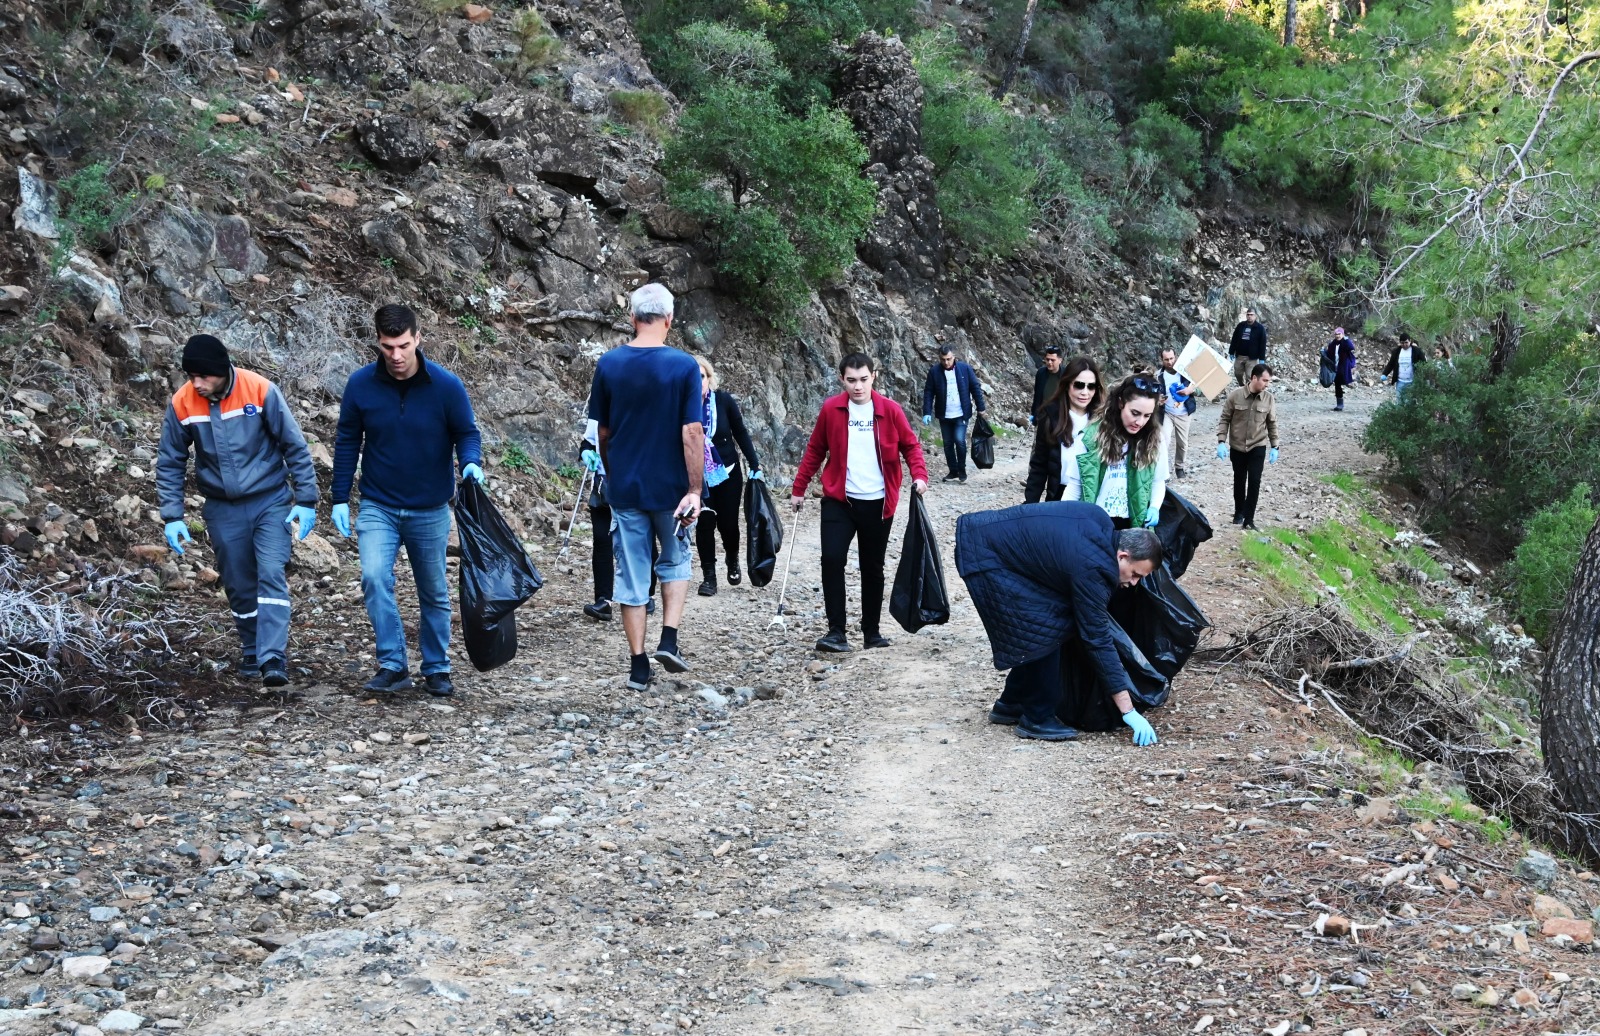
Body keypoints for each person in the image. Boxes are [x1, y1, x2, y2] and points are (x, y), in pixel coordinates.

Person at [331, 304, 484, 699]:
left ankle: (437, 667)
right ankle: (393, 664)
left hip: (429, 506)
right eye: (387, 347)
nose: (396, 355)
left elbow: (467, 432)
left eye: (403, 345)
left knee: (432, 589)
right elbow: (347, 440)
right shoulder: (361, 385)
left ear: (418, 338)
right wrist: (339, 497)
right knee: (373, 577)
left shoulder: (446, 386)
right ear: (377, 343)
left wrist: (470, 462)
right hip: (378, 503)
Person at [157, 334, 319, 688]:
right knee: (238, 580)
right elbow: (170, 460)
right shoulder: (183, 402)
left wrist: (306, 500)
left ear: (222, 370)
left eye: (203, 376)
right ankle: (251, 647)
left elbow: (293, 444)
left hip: (270, 500)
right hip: (222, 508)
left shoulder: (259, 390)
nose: (197, 383)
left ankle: (272, 656)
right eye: (191, 376)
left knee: (271, 571)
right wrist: (172, 515)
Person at [955, 502, 1163, 744]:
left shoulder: (1100, 521)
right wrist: (1128, 711)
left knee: (1045, 623)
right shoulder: (1095, 568)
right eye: (1135, 574)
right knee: (1045, 628)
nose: (1134, 583)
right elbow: (1096, 638)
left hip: (987, 539)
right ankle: (1037, 718)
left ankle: (1011, 702)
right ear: (1122, 556)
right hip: (987, 557)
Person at [586, 283, 705, 691]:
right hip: (671, 489)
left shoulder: (609, 364)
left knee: (632, 574)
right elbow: (692, 431)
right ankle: (668, 639)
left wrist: (613, 471)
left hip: (626, 488)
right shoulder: (684, 366)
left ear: (632, 318)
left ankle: (638, 665)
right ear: (670, 319)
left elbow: (602, 432)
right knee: (675, 562)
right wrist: (695, 489)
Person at [792, 352, 929, 653]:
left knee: (872, 567)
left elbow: (911, 446)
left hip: (878, 503)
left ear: (873, 377)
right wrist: (798, 488)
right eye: (851, 380)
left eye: (864, 379)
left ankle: (872, 632)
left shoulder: (890, 410)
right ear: (842, 379)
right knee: (831, 560)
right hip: (839, 501)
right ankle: (836, 632)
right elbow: (815, 449)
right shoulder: (831, 409)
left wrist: (920, 476)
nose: (858, 386)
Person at [692, 356, 764, 597]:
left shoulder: (723, 401)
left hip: (728, 473)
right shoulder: (682, 405)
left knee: (728, 525)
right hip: (697, 476)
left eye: (701, 376)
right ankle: (709, 577)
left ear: (709, 378)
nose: (697, 381)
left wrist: (754, 463)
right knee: (704, 523)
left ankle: (732, 559)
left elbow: (740, 432)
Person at [1064, 374, 1168, 530]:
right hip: (1095, 522)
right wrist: (1064, 519)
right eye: (1135, 413)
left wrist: (1154, 507)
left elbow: (1158, 481)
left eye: (1147, 416)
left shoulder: (1155, 440)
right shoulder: (1090, 438)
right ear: (1121, 403)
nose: (1140, 422)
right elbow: (1075, 485)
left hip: (1133, 524)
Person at [576, 421, 656, 622]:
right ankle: (604, 600)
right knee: (601, 539)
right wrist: (586, 453)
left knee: (641, 538)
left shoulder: (641, 407)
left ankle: (646, 593)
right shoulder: (599, 410)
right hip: (604, 484)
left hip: (637, 481)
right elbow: (588, 441)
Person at [1023, 356, 1103, 503]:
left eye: (1091, 386)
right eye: (1079, 385)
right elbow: (1039, 465)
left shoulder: (1103, 420)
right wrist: (1030, 504)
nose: (1085, 392)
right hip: (1058, 495)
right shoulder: (1050, 416)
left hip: (1092, 497)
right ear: (1067, 385)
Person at [1216, 363, 1279, 530]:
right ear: (1254, 378)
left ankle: (1249, 520)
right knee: (1239, 479)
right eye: (1265, 380)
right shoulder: (1235, 396)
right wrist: (1221, 441)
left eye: (1269, 381)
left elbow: (1272, 423)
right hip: (1237, 446)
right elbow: (1225, 419)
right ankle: (1239, 511)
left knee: (1254, 481)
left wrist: (1275, 446)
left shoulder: (1269, 399)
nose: (1267, 384)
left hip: (1257, 445)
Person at [920, 345, 986, 483]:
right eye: (943, 359)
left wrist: (981, 408)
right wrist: (927, 412)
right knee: (948, 444)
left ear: (954, 357)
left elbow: (975, 387)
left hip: (961, 413)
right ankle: (953, 471)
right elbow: (929, 392)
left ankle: (962, 470)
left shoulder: (964, 369)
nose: (946, 362)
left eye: (949, 359)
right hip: (944, 414)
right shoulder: (934, 372)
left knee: (959, 440)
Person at [1157, 347, 1196, 478]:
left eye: (1171, 358)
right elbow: (1152, 393)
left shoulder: (1185, 371)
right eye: (1166, 359)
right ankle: (1163, 471)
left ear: (1176, 357)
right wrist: (1158, 400)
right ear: (1162, 360)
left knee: (1182, 443)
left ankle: (1179, 467)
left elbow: (1199, 385)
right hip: (1166, 412)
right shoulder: (1158, 376)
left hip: (1184, 412)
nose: (1169, 362)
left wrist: (1190, 390)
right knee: (1164, 441)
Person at [1228, 307, 1268, 386]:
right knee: (1237, 373)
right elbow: (1234, 339)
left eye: (1251, 315)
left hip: (1252, 358)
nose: (1249, 316)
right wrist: (1231, 351)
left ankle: (1248, 390)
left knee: (1249, 376)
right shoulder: (1241, 326)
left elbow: (1262, 344)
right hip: (1240, 355)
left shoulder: (1260, 328)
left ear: (1255, 316)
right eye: (1248, 314)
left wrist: (1262, 358)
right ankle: (1242, 385)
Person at [1381, 333, 1427, 400]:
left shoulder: (1417, 351)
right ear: (1400, 342)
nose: (1404, 345)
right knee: (1399, 401)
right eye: (1402, 343)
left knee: (1410, 401)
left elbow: (1424, 364)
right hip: (1400, 381)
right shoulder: (1396, 351)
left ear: (1410, 341)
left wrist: (1424, 377)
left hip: (1412, 381)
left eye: (1406, 342)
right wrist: (1385, 374)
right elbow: (1391, 364)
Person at [1323, 327, 1357, 412]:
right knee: (1337, 384)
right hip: (1336, 366)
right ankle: (1339, 404)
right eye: (1336, 334)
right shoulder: (1333, 344)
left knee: (1343, 380)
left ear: (1342, 334)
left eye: (1339, 334)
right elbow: (1329, 353)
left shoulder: (1345, 342)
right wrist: (1323, 352)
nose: (1337, 336)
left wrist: (1346, 339)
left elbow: (1351, 347)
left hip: (1344, 366)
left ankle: (1349, 383)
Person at [1030, 345, 1063, 422]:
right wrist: (1034, 413)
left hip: (1059, 416)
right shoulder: (1041, 373)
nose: (1049, 362)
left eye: (1052, 360)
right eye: (1047, 359)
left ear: (1060, 360)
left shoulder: (1066, 374)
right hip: (1042, 414)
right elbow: (1037, 395)